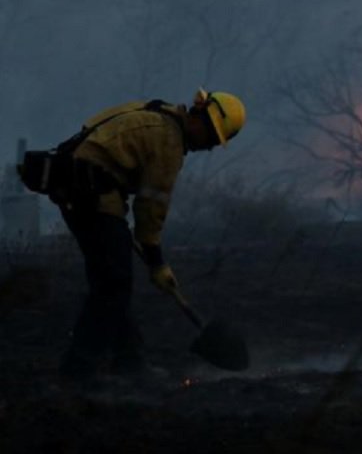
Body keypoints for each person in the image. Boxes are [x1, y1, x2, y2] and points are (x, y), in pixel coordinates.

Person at [43, 89, 246, 381]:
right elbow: (152, 204)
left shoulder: (157, 112)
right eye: (211, 136)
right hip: (92, 196)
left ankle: (130, 362)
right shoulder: (169, 142)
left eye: (216, 142)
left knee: (112, 282)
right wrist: (157, 261)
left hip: (79, 190)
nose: (209, 145)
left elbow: (95, 129)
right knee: (113, 285)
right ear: (199, 117)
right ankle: (79, 371)